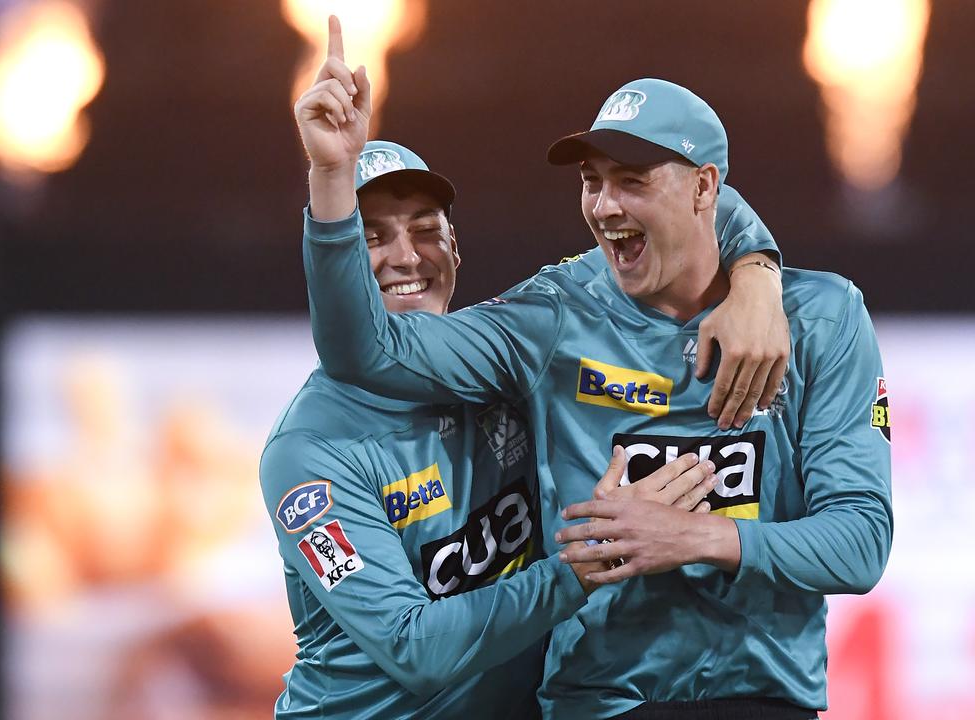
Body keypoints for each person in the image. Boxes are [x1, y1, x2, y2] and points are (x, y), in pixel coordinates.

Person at [303, 68, 894, 719]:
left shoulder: (821, 317)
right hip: (601, 701)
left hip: (759, 695)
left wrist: (695, 537)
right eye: (592, 181)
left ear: (705, 188)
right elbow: (368, 351)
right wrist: (331, 183)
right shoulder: (552, 315)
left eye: (632, 181)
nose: (605, 205)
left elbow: (861, 542)